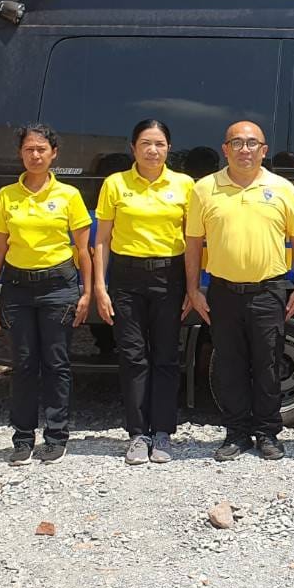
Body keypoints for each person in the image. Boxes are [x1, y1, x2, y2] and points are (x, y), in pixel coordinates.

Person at [184, 121, 294, 462]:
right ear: (225, 149)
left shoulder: (283, 188)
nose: (245, 149)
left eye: (252, 143)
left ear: (264, 150)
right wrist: (193, 289)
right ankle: (236, 433)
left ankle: (267, 432)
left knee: (268, 364)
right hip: (222, 292)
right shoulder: (204, 189)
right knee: (230, 365)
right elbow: (192, 242)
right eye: (236, 143)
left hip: (269, 291)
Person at [0, 124, 93, 465]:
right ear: (20, 153)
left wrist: (87, 292)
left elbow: (83, 250)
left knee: (56, 364)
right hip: (17, 289)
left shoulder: (69, 195)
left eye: (42, 149)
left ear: (54, 153)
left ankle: (56, 436)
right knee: (23, 364)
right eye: (29, 149)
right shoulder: (6, 196)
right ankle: (23, 438)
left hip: (58, 288)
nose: (35, 155)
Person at [93, 119, 195, 465]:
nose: (153, 150)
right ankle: (138, 434)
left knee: (166, 356)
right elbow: (102, 239)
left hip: (169, 276)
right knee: (133, 356)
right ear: (133, 148)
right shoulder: (115, 184)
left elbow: (193, 240)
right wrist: (100, 287)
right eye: (146, 144)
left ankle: (163, 431)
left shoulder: (184, 185)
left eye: (160, 144)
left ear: (169, 149)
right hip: (126, 278)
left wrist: (192, 286)